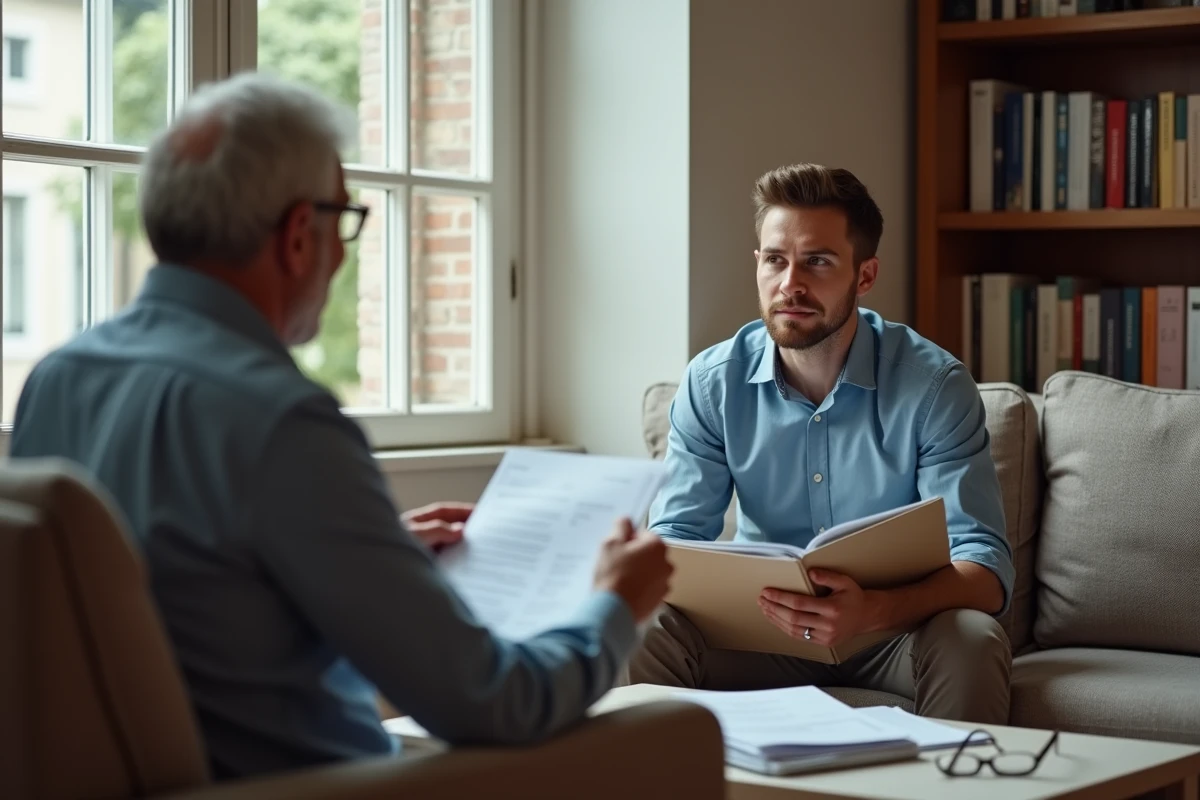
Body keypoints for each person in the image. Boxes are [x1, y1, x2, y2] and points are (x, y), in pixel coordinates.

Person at [9, 71, 673, 780]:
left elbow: (179, 590)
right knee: (669, 733)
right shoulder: (281, 421)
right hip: (310, 786)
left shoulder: (57, 378)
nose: (342, 252)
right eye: (344, 219)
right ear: (300, 235)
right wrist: (614, 606)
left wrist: (376, 551)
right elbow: (496, 701)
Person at [627, 163, 1014, 724]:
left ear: (865, 274)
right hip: (758, 635)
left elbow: (985, 570)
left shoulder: (933, 387)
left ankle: (951, 774)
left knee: (972, 638)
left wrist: (875, 609)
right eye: (775, 260)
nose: (791, 284)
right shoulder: (711, 383)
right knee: (643, 623)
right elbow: (676, 539)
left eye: (818, 261)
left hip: (892, 635)